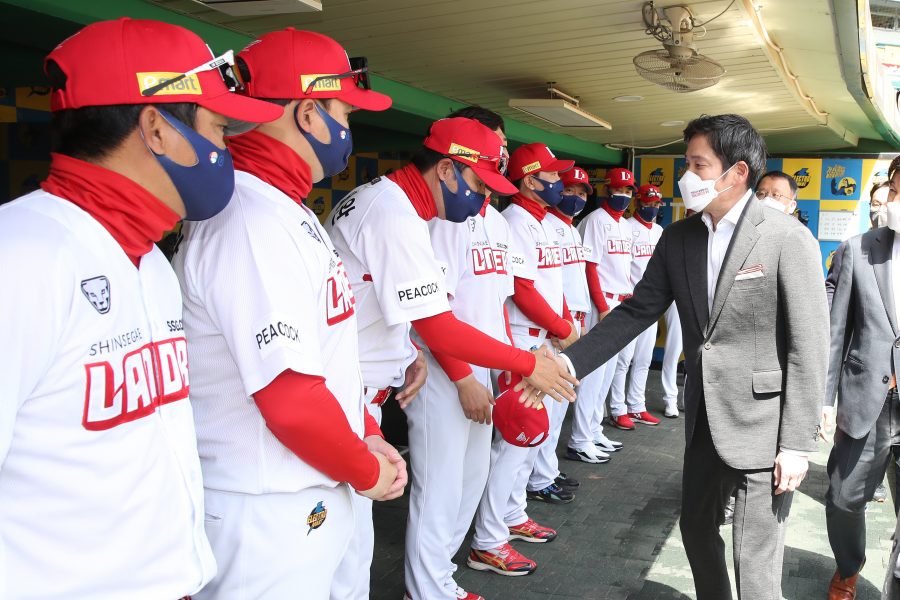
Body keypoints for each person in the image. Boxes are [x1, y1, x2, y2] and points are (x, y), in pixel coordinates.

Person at [0, 18, 282, 599]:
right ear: (156, 127)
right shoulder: (20, 255)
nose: (225, 150)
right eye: (219, 129)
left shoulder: (149, 260)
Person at [173, 29, 404, 600]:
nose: (347, 129)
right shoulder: (250, 217)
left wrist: (365, 433)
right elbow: (290, 397)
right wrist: (367, 470)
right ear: (307, 113)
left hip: (309, 488)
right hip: (264, 505)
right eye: (343, 113)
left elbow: (323, 359)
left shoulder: (280, 205)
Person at [559, 113, 828, 600]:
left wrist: (796, 444)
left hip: (764, 426)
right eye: (687, 164)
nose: (687, 176)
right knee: (696, 531)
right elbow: (637, 311)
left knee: (756, 561)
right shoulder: (679, 237)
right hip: (703, 419)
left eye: (699, 165)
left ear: (737, 172)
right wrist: (568, 364)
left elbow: (808, 345)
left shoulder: (786, 238)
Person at [325, 119, 576, 600]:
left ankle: (438, 583)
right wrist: (524, 365)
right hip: (348, 388)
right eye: (479, 184)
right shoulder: (397, 212)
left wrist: (406, 351)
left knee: (361, 539)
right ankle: (427, 590)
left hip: (364, 388)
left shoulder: (403, 206)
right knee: (346, 546)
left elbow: (405, 307)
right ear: (446, 169)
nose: (482, 196)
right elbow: (438, 324)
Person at [402, 106, 559, 600]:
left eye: (503, 145)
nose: (502, 152)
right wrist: (465, 379)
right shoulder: (446, 218)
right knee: (440, 487)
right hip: (446, 371)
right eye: (495, 143)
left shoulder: (493, 219)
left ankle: (440, 578)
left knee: (471, 480)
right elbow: (434, 314)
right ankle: (424, 590)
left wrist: (507, 372)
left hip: (488, 368)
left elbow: (498, 302)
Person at [824, 155, 900, 600]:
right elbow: (837, 330)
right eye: (896, 191)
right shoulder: (858, 249)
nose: (894, 201)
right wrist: (824, 399)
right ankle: (849, 566)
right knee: (842, 498)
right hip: (868, 399)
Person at [580, 167, 661, 432]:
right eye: (618, 189)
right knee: (597, 371)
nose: (623, 195)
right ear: (606, 190)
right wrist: (602, 306)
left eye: (627, 190)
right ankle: (587, 433)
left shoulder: (624, 225)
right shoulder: (596, 220)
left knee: (611, 369)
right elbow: (590, 267)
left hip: (625, 301)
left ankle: (594, 430)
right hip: (604, 302)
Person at [609, 184, 666, 419]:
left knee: (644, 359)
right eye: (647, 203)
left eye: (655, 204)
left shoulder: (660, 231)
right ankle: (617, 408)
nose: (652, 208)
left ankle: (636, 405)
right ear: (638, 203)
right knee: (623, 359)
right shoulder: (628, 227)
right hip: (631, 304)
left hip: (650, 304)